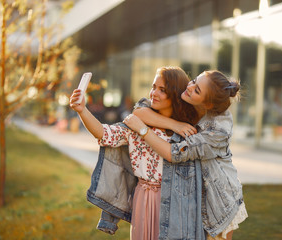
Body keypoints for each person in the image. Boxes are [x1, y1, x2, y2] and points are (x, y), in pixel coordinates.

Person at [69, 66, 199, 240]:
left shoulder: (186, 129)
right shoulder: (136, 124)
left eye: (162, 90)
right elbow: (104, 134)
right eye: (153, 87)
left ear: (175, 94)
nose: (154, 93)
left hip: (174, 199)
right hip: (142, 197)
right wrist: (82, 110)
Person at [124, 70, 248, 240]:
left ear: (208, 104)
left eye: (197, 90)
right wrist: (174, 124)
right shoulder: (187, 99)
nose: (190, 87)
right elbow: (139, 112)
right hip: (193, 196)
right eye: (194, 81)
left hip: (218, 202)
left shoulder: (218, 130)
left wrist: (143, 130)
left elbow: (173, 153)